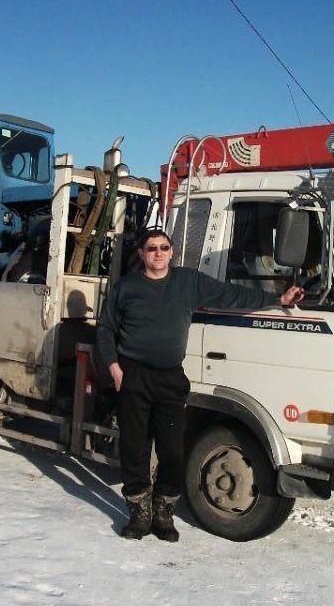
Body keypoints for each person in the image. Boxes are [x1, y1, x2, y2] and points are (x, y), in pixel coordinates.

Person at [97, 229, 304, 542]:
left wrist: (277, 298)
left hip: (170, 378)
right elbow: (105, 329)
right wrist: (114, 368)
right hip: (133, 376)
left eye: (164, 248)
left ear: (172, 251)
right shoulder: (126, 288)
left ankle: (164, 512)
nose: (158, 253)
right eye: (151, 248)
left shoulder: (187, 283)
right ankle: (139, 513)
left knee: (172, 451)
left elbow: (231, 294)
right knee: (134, 448)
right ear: (141, 253)